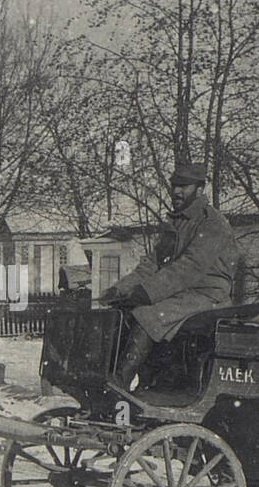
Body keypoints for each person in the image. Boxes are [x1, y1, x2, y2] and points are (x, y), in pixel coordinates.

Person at [98, 159, 239, 387]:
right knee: (123, 314)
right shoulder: (177, 223)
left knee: (148, 316)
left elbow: (189, 268)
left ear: (200, 189)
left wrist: (146, 293)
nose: (176, 191)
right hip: (182, 293)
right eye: (174, 185)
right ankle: (140, 382)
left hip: (208, 294)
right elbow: (152, 264)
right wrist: (120, 290)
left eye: (184, 186)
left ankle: (119, 383)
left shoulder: (212, 223)